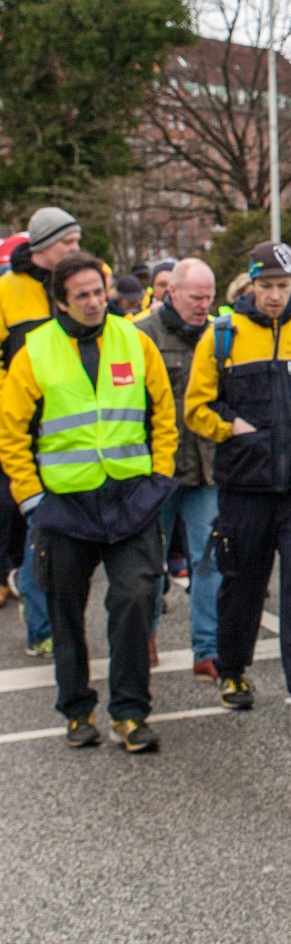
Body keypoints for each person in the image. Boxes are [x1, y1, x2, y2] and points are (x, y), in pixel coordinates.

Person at [0, 251, 177, 751]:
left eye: (100, 292)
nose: (96, 302)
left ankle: (129, 712)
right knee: (65, 610)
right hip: (64, 504)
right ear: (61, 301)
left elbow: (164, 413)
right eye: (83, 295)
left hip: (131, 499)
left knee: (136, 598)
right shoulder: (35, 351)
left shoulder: (135, 342)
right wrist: (31, 498)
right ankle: (77, 710)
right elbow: (10, 432)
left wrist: (160, 475)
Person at [185, 243, 291, 733]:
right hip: (244, 486)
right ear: (250, 285)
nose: (276, 296)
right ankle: (232, 671)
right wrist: (231, 429)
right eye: (267, 286)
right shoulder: (222, 335)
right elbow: (197, 407)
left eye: (284, 286)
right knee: (242, 584)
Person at [0, 207, 92, 657]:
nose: (76, 249)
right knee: (41, 532)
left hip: (80, 428)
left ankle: (60, 620)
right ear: (40, 246)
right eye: (67, 243)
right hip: (27, 430)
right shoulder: (7, 291)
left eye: (78, 241)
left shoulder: (85, 284)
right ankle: (42, 627)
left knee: (71, 538)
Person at [134, 258, 223, 682]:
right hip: (159, 472)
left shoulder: (220, 333)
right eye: (195, 297)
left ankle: (208, 650)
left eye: (209, 297)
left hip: (207, 469)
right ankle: (144, 635)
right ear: (172, 292)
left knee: (209, 562)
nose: (203, 305)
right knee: (149, 564)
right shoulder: (142, 336)